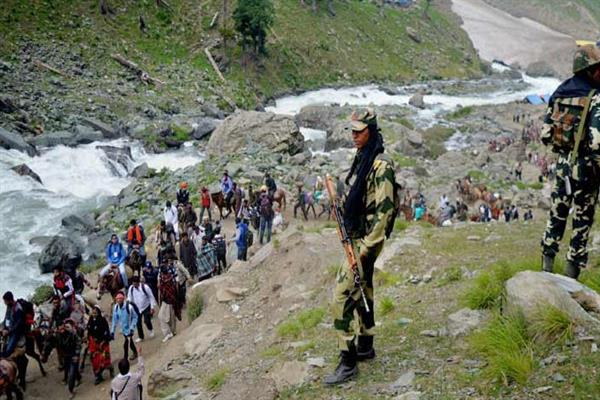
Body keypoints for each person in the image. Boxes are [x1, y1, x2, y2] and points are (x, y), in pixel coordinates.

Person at [325, 108, 396, 385]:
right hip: (356, 235)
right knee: (363, 286)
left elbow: (384, 212)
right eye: (352, 131)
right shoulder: (362, 157)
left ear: (372, 131)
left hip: (367, 240)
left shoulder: (381, 165)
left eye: (359, 131)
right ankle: (366, 344)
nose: (354, 136)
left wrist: (367, 249)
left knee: (342, 296)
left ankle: (348, 361)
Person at [541, 45, 600, 279]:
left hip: (564, 164)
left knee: (557, 214)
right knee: (582, 220)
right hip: (587, 169)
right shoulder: (596, 97)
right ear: (590, 70)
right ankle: (570, 277)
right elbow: (597, 142)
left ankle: (546, 266)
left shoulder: (560, 91)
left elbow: (546, 134)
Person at [86, 305, 114, 385]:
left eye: (95, 313)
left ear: (98, 313)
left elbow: (106, 331)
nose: (94, 314)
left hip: (103, 343)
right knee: (95, 361)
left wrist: (103, 340)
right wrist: (89, 339)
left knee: (105, 360)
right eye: (93, 313)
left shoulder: (102, 320)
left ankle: (110, 369)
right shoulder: (90, 320)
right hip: (94, 345)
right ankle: (98, 376)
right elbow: (89, 331)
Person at [127, 276, 157, 344]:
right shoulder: (131, 288)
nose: (134, 285)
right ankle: (141, 336)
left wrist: (152, 307)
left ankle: (150, 330)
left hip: (146, 306)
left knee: (146, 320)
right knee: (138, 323)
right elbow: (129, 297)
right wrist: (129, 301)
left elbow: (151, 297)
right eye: (133, 284)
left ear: (138, 282)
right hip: (137, 308)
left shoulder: (145, 287)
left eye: (135, 284)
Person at [111, 292, 139, 361]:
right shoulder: (116, 307)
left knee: (126, 343)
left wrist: (132, 328)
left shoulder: (129, 307)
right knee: (130, 342)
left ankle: (125, 358)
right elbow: (114, 320)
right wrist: (112, 331)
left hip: (130, 329)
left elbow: (135, 317)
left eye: (120, 300)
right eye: (117, 300)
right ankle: (135, 352)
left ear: (123, 300)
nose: (118, 302)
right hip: (124, 329)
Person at [59, 318, 82, 398]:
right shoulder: (60, 335)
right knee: (73, 369)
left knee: (71, 373)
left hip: (74, 355)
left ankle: (70, 390)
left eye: (68, 326)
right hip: (66, 355)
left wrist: (76, 354)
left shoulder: (73, 334)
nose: (65, 328)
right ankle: (79, 378)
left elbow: (79, 343)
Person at [158, 262, 180, 343]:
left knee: (162, 317)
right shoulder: (170, 277)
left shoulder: (164, 280)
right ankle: (172, 332)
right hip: (172, 299)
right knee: (171, 317)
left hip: (167, 301)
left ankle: (168, 333)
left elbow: (163, 290)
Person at [1, 292, 25, 358]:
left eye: (5, 301)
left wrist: (9, 331)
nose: (4, 303)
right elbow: (6, 318)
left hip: (16, 331)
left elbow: (19, 324)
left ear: (10, 300)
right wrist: (4, 328)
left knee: (8, 351)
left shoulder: (18, 308)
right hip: (8, 329)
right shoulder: (9, 306)